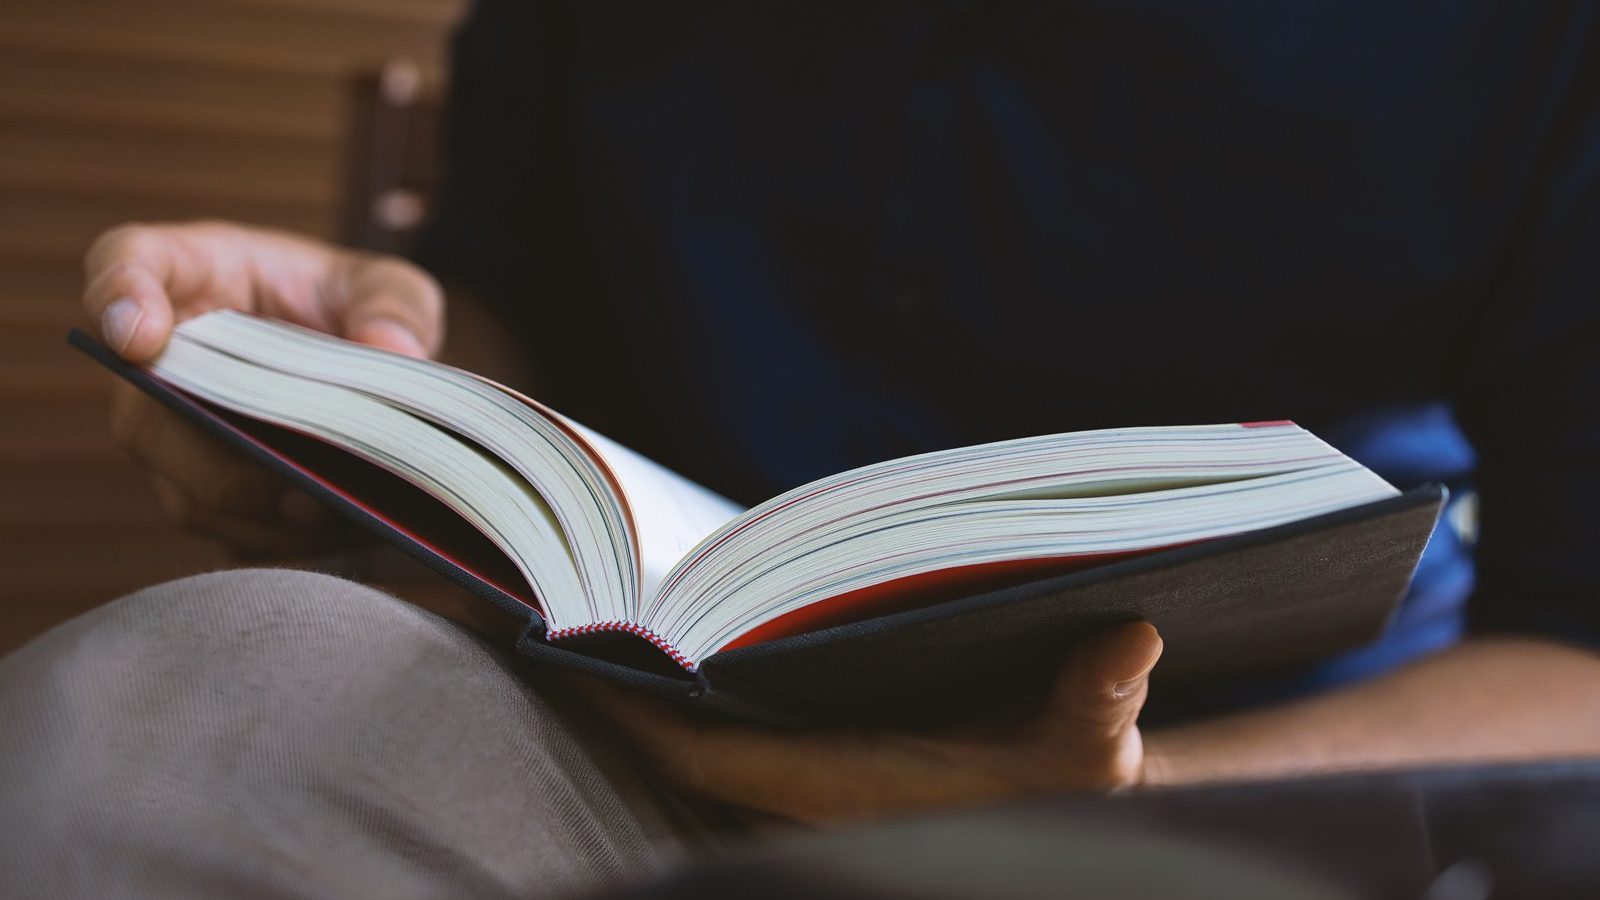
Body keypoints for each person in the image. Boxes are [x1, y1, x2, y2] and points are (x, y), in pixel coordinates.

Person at [6, 0, 1600, 895]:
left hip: (1242, 797)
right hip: (636, 733)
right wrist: (361, 371)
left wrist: (1153, 795)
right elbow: (522, 312)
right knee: (170, 710)